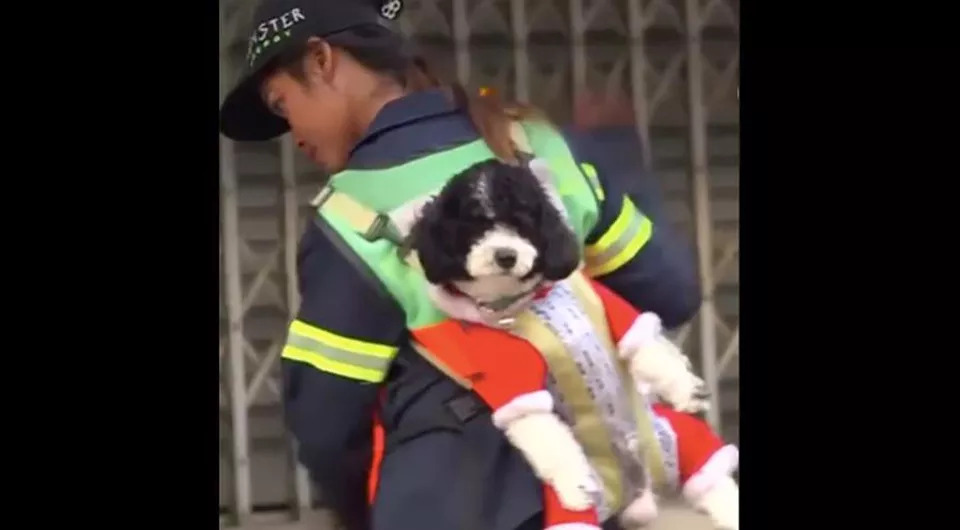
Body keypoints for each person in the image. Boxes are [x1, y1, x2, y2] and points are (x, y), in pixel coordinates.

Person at [218, 1, 704, 529]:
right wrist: (618, 161)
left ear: (321, 60)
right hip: (588, 502)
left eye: (282, 104)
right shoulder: (540, 146)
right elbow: (669, 294)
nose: (294, 132)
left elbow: (327, 427)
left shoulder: (350, 217)